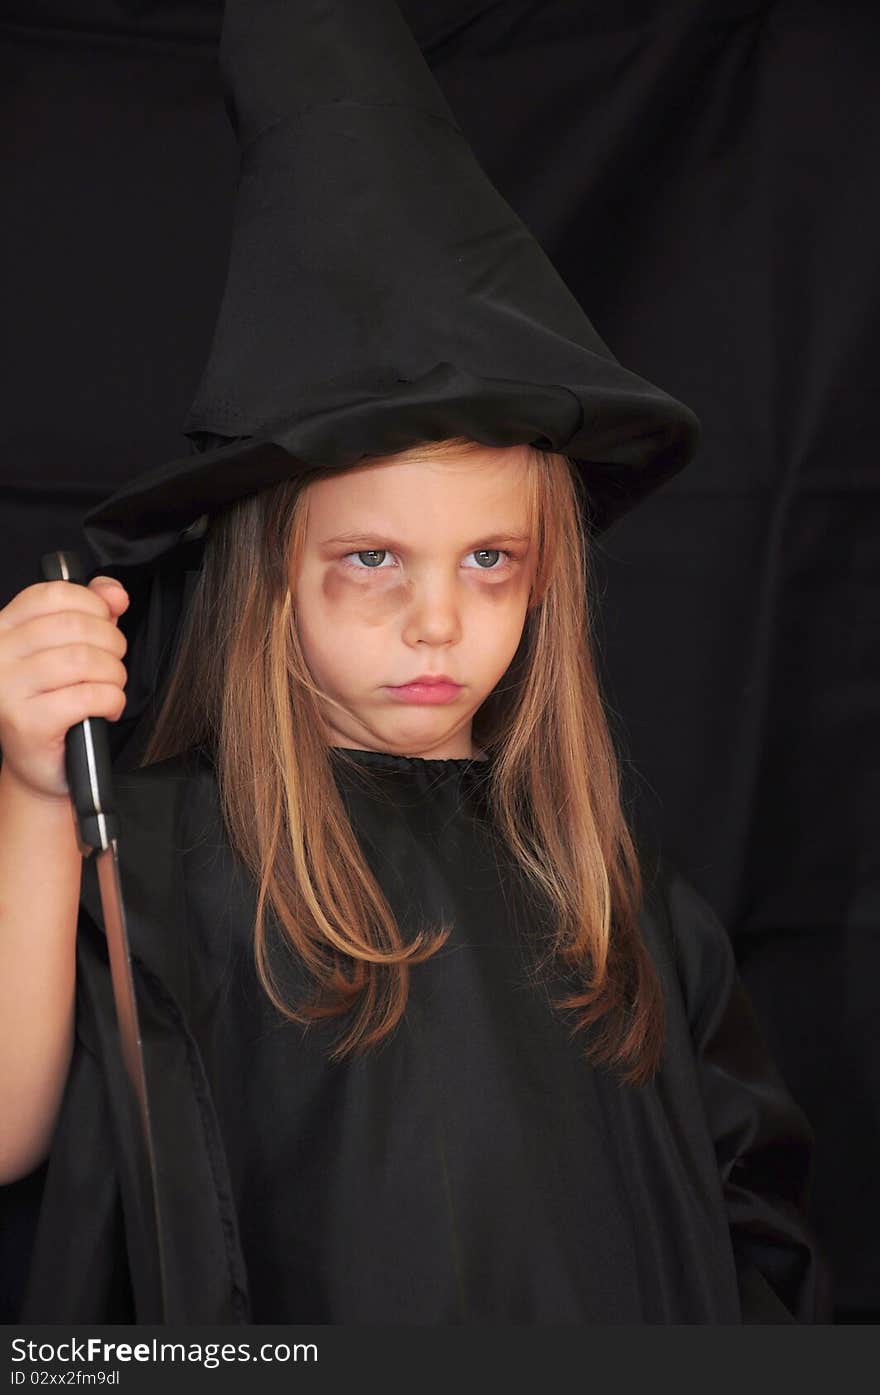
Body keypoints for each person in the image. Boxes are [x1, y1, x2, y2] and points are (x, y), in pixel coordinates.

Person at [0, 0, 830, 1323]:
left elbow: (751, 1238)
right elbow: (10, 1138)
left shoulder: (617, 901)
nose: (438, 622)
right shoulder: (156, 862)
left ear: (546, 575)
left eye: (490, 562)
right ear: (269, 576)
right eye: (372, 560)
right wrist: (39, 803)